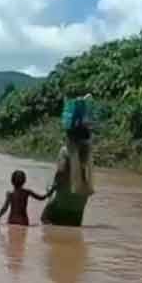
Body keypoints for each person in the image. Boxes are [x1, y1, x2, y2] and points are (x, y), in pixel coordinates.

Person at [42, 95, 95, 227]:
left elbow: (61, 172)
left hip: (64, 199)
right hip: (80, 203)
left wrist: (51, 189)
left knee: (46, 221)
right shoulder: (88, 151)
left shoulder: (66, 150)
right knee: (74, 230)